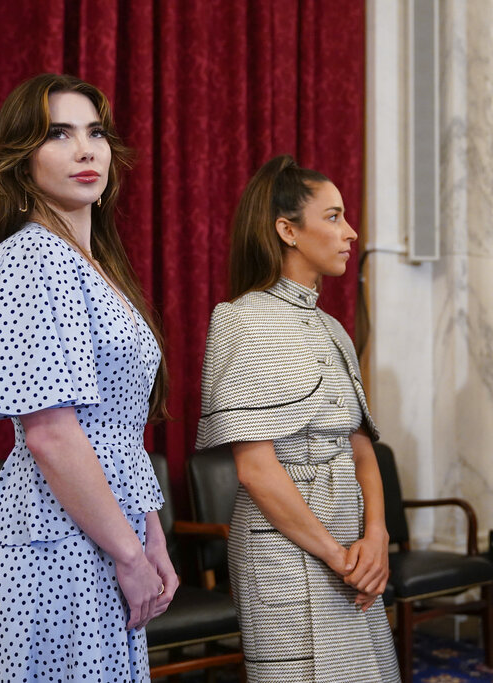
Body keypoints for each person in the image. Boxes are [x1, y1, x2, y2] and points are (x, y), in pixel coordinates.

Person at [0, 74, 177, 682]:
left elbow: (117, 432)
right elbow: (51, 433)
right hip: (53, 544)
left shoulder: (93, 263)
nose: (86, 149)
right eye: (59, 134)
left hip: (102, 532)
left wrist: (149, 535)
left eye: (96, 132)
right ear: (21, 162)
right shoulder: (31, 256)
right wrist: (130, 553)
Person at [195, 155, 400, 682]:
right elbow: (256, 471)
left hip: (352, 538)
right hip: (282, 547)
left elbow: (361, 451)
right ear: (287, 230)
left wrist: (375, 537)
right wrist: (338, 556)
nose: (350, 232)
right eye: (333, 217)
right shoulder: (239, 319)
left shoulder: (333, 329)